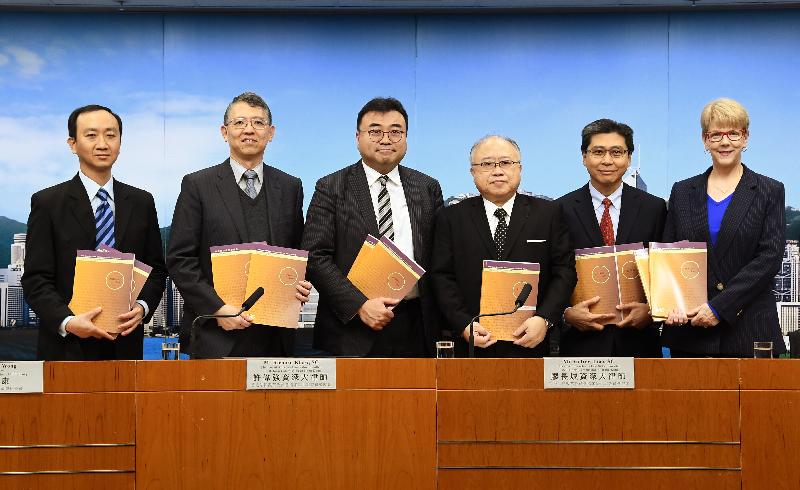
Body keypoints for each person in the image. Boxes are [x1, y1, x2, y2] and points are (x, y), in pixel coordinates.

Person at [167, 92, 311, 358]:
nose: (249, 130)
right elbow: (180, 259)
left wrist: (302, 280)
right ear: (224, 132)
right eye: (239, 123)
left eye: (258, 123)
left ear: (271, 132)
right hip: (215, 333)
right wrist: (217, 308)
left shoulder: (291, 187)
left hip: (276, 334)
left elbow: (297, 251)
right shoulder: (197, 185)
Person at [22, 104, 167, 360]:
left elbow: (156, 269)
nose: (103, 143)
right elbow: (36, 279)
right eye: (91, 135)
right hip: (66, 349)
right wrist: (67, 321)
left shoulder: (142, 202)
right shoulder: (48, 203)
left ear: (120, 142)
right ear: (72, 144)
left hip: (125, 345)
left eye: (111, 135)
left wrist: (142, 309)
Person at [303, 97, 443, 357]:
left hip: (417, 324)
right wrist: (359, 305)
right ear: (358, 137)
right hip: (352, 326)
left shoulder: (427, 187)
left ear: (406, 138)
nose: (386, 139)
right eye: (375, 131)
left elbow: (440, 256)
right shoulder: (331, 186)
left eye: (395, 131)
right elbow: (315, 256)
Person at [430, 135, 576, 357]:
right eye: (487, 164)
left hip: (532, 341)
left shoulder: (549, 214)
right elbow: (441, 276)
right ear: (473, 173)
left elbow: (564, 272)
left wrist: (544, 320)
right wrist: (462, 324)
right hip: (471, 343)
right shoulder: (450, 217)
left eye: (506, 163)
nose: (497, 171)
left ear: (520, 168)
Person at [663, 98, 786, 357]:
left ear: (745, 138)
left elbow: (770, 258)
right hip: (690, 327)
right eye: (716, 134)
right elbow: (669, 255)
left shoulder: (769, 190)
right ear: (705, 140)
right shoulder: (682, 191)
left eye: (733, 133)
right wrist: (669, 303)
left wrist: (719, 308)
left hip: (750, 327)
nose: (725, 141)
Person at [557, 119, 666, 357]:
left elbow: (663, 271)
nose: (607, 160)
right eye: (598, 152)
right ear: (584, 157)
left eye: (616, 152)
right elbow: (552, 273)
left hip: (639, 344)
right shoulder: (560, 210)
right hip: (579, 345)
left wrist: (651, 311)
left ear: (628, 158)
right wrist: (565, 314)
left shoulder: (654, 208)